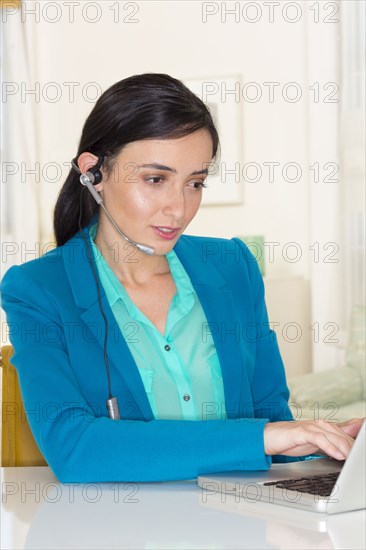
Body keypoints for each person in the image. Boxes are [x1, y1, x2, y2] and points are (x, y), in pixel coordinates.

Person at [1, 73, 362, 483]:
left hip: (241, 530)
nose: (179, 208)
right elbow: (73, 447)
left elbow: (269, 421)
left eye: (195, 183)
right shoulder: (38, 289)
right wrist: (262, 437)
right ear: (93, 172)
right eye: (155, 180)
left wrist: (322, 443)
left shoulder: (232, 266)